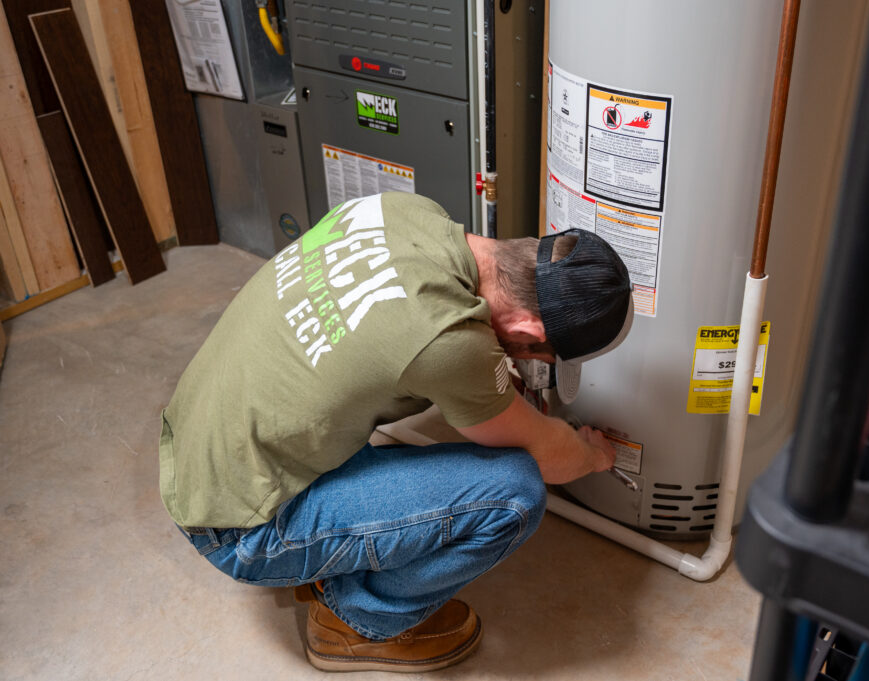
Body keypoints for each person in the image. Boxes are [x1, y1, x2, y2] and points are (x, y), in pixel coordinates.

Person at [158, 192, 634, 672]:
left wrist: (489, 382)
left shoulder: (405, 211)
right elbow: (549, 456)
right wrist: (592, 454)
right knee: (517, 493)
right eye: (538, 356)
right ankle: (355, 620)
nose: (529, 364)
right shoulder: (451, 342)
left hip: (195, 450)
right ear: (529, 331)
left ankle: (327, 554)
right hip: (237, 529)